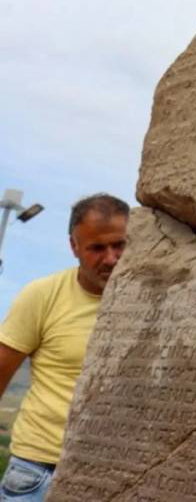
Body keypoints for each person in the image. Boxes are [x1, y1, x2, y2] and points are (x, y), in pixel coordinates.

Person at [0, 194, 128, 501]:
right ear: (74, 247)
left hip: (116, 477)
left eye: (120, 245)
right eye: (97, 248)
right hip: (37, 474)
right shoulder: (42, 295)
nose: (111, 258)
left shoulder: (157, 300)